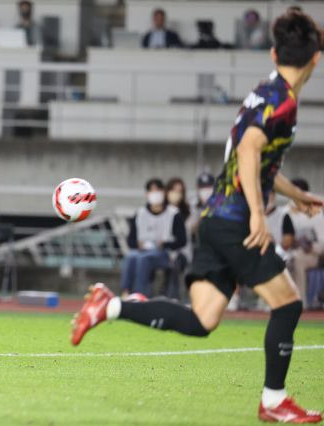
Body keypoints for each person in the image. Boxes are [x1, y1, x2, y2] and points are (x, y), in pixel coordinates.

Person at [72, 10, 323, 423]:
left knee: (202, 320)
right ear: (315, 60)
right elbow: (247, 154)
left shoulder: (264, 92)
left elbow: (258, 161)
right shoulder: (284, 103)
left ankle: (110, 306)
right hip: (236, 222)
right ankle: (274, 401)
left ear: (275, 52)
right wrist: (259, 217)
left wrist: (298, 196)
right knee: (289, 305)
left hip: (216, 219)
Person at [119, 178, 186, 298]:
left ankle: (140, 295)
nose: (155, 194)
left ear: (163, 192)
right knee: (131, 257)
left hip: (166, 254)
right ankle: (126, 292)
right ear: (147, 194)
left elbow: (182, 240)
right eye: (151, 191)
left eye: (158, 190)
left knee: (144, 259)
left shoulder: (173, 214)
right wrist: (137, 245)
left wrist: (165, 244)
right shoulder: (140, 213)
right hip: (142, 251)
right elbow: (131, 241)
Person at [286, 178, 324, 308]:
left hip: (313, 255)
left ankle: (300, 303)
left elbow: (322, 243)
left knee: (298, 259)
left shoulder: (315, 212)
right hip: (289, 253)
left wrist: (310, 246)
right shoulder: (286, 211)